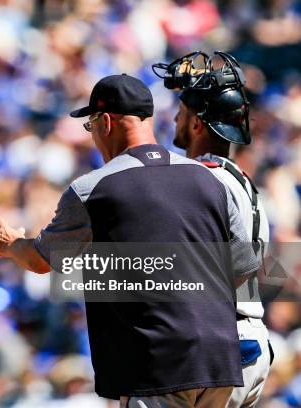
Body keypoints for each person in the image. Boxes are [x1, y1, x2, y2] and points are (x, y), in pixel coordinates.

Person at [0, 74, 259, 407]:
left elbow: (41, 261)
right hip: (219, 364)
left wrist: (9, 243)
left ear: (107, 122)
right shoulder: (208, 179)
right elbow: (243, 269)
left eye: (91, 125)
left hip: (157, 366)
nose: (94, 135)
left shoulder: (94, 188)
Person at [159, 51, 271, 408]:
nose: (176, 119)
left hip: (213, 341)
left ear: (196, 124)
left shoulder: (199, 180)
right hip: (249, 341)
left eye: (181, 113)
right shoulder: (242, 182)